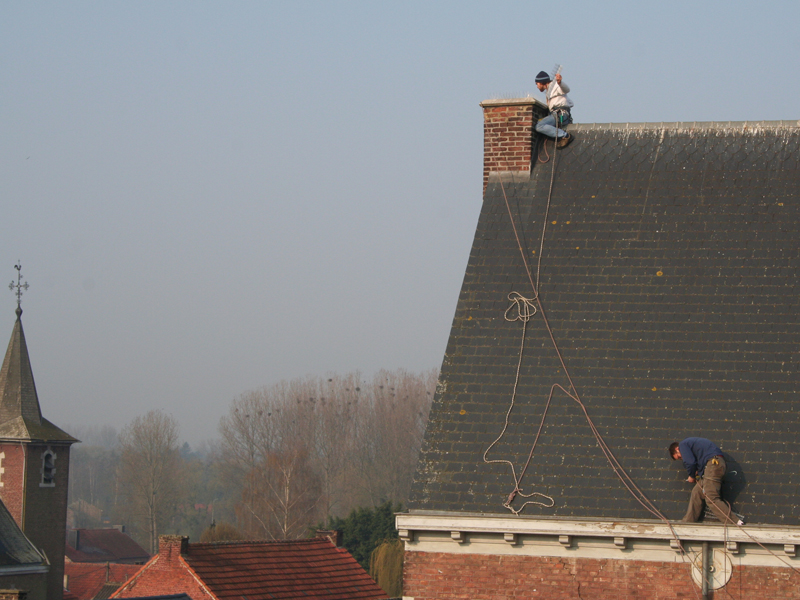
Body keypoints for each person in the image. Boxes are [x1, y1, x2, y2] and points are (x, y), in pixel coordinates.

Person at [669, 437, 744, 526]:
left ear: (677, 449)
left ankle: (734, 522)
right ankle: (688, 522)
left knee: (711, 497)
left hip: (713, 465)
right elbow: (698, 461)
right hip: (712, 466)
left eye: (679, 457)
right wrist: (698, 471)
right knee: (696, 492)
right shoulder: (693, 445)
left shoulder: (682, 445)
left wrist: (692, 476)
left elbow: (690, 462)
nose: (681, 458)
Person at [534, 70, 574, 148]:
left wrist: (560, 83)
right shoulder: (549, 91)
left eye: (537, 84)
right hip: (556, 114)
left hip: (560, 114)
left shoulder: (555, 86)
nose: (537, 86)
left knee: (539, 126)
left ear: (541, 82)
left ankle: (565, 135)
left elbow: (566, 90)